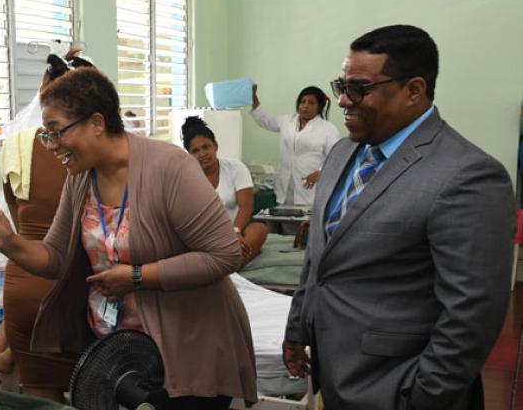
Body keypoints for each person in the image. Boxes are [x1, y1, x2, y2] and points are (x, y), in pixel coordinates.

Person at [0, 67, 257, 409]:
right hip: (122, 353)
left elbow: (224, 255)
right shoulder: (80, 178)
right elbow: (56, 257)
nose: (51, 146)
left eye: (56, 132)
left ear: (97, 124)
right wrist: (8, 242)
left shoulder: (170, 168)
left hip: (188, 348)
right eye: (46, 135)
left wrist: (136, 277)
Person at [283, 24, 515, 410]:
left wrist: (421, 395)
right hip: (334, 373)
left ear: (414, 90)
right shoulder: (343, 153)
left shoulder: (467, 175)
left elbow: (472, 314)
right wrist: (298, 328)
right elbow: (319, 257)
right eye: (342, 86)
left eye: (360, 88)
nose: (342, 101)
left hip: (398, 388)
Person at [0, 49, 89, 402]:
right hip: (76, 282)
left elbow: (16, 218)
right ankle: (5, 352)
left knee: (40, 397)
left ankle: (5, 353)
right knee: (95, 387)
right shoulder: (97, 148)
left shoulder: (18, 144)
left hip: (24, 280)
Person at [181, 116, 269, 267]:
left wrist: (235, 232)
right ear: (189, 155)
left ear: (215, 145)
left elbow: (246, 206)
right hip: (205, 237)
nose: (202, 154)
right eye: (195, 151)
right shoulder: (185, 177)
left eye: (206, 147)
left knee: (259, 229)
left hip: (237, 231)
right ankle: (226, 266)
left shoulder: (236, 168)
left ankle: (230, 267)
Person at [250, 85, 340, 206]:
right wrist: (253, 97)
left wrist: (320, 172)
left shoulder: (328, 128)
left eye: (311, 103)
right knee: (284, 218)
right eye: (302, 102)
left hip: (310, 187)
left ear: (319, 107)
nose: (305, 106)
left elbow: (336, 156)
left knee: (306, 221)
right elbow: (264, 120)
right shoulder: (287, 121)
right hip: (284, 185)